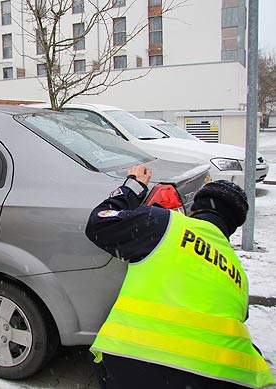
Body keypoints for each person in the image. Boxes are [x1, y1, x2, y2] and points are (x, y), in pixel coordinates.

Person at [85, 164, 275, 389]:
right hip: (226, 379)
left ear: (195, 208)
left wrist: (132, 188)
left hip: (138, 363)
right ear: (232, 227)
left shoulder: (164, 224)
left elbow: (99, 223)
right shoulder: (238, 274)